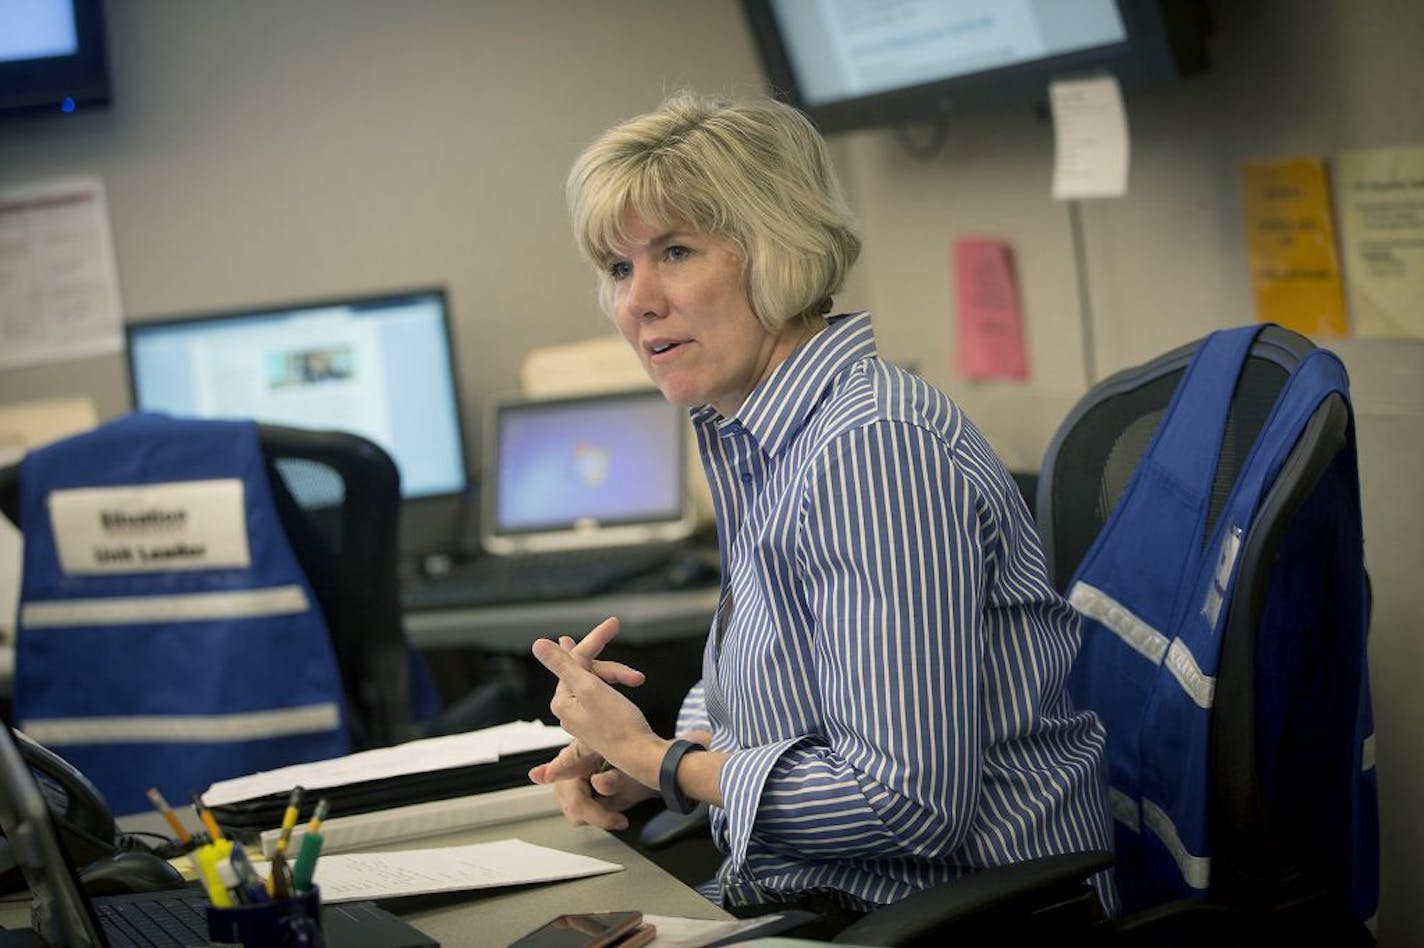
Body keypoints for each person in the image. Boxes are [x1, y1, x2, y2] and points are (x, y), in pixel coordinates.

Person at [528, 90, 1117, 923]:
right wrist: (652, 759)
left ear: (776, 250)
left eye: (677, 251)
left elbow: (906, 801)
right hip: (832, 901)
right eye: (622, 268)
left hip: (947, 923)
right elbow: (775, 702)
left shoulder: (872, 451)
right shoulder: (757, 433)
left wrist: (666, 763)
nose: (637, 301)